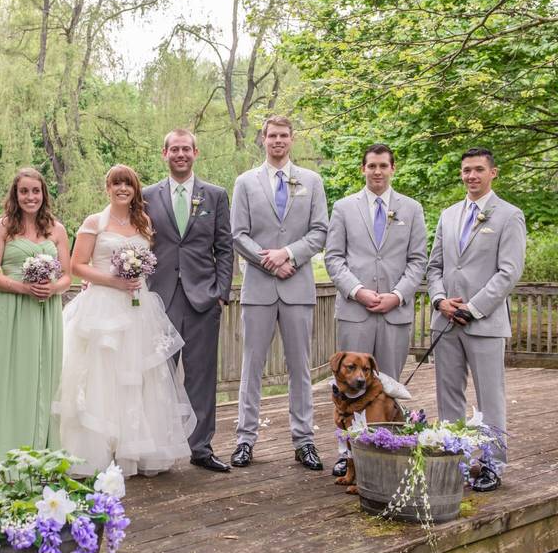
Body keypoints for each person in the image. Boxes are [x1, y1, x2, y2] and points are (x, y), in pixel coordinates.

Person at [53, 164, 196, 478]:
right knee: (102, 375)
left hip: (138, 307)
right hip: (103, 307)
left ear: (134, 190)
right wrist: (112, 281)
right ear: (108, 188)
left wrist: (134, 275)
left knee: (137, 376)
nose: (122, 189)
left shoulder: (142, 222)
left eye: (127, 185)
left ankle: (133, 448)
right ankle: (96, 449)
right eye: (116, 184)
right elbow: (77, 266)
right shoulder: (94, 222)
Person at [230, 115, 329, 471]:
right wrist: (269, 261)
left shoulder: (312, 182)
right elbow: (238, 234)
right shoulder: (245, 183)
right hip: (258, 289)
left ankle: (304, 441)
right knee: (251, 367)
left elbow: (320, 231)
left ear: (292, 139)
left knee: (300, 368)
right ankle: (245, 440)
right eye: (272, 135)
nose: (278, 141)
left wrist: (289, 254)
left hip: (297, 288)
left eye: (284, 136)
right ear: (263, 139)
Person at [324, 143, 428, 478]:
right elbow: (334, 258)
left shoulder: (411, 209)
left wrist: (397, 295)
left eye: (384, 165)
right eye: (372, 166)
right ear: (363, 169)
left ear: (393, 169)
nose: (378, 171)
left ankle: (388, 452)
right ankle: (347, 455)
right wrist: (358, 291)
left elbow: (418, 260)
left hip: (395, 312)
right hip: (356, 310)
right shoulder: (343, 207)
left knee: (388, 389)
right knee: (345, 388)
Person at [426, 147, 526, 492]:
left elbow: (509, 272)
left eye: (478, 170)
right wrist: (440, 300)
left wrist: (473, 307)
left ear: (492, 173)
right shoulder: (448, 214)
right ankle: (456, 460)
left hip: (484, 322)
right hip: (446, 321)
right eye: (466, 170)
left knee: (489, 396)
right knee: (448, 395)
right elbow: (434, 266)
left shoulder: (509, 215)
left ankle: (492, 463)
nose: (471, 176)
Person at [142, 129, 234, 473]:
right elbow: (138, 243)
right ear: (164, 153)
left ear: (196, 152)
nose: (181, 154)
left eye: (186, 149)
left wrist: (220, 292)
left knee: (201, 375)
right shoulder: (148, 196)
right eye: (174, 149)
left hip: (202, 298)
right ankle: (159, 448)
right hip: (159, 297)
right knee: (158, 377)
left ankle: (201, 447)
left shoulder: (215, 195)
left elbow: (224, 247)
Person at [0, 168, 71, 463]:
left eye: (36, 191)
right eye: (24, 191)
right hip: (12, 311)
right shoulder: (2, 227)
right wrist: (23, 288)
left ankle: (43, 448)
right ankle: (7, 450)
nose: (30, 197)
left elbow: (67, 276)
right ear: (15, 195)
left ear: (43, 194)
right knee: (9, 377)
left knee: (46, 375)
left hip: (46, 312)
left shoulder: (56, 229)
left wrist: (53, 288)